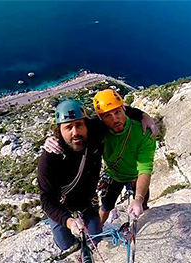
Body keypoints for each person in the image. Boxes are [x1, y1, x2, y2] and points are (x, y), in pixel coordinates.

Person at [38, 99, 156, 254]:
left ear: (86, 124)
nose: (75, 132)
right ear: (59, 130)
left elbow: (115, 113)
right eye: (68, 127)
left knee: (96, 238)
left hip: (85, 202)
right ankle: (59, 228)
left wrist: (143, 116)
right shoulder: (50, 157)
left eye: (79, 125)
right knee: (66, 245)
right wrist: (70, 222)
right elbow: (47, 199)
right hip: (62, 205)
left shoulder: (95, 131)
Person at [92, 89, 156, 224]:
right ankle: (95, 235)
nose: (115, 119)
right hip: (113, 174)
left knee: (142, 204)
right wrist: (55, 140)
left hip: (135, 176)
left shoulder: (143, 131)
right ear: (100, 118)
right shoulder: (99, 131)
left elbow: (145, 167)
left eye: (117, 112)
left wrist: (138, 199)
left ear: (124, 109)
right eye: (108, 116)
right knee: (105, 207)